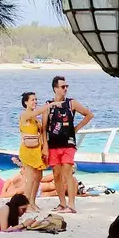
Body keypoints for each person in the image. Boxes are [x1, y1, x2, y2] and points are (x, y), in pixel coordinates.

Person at [44, 75, 93, 213]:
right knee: (56, 174)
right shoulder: (48, 105)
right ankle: (62, 203)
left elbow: (89, 115)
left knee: (67, 173)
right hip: (53, 144)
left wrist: (76, 128)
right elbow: (44, 127)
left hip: (68, 144)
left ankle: (71, 205)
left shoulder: (71, 103)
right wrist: (45, 147)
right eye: (63, 87)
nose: (65, 89)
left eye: (67, 86)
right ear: (55, 89)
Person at [16, 90, 46, 208]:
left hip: (37, 150)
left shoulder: (35, 118)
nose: (35, 102)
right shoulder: (25, 115)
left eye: (36, 100)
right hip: (28, 150)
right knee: (30, 178)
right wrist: (50, 105)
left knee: (38, 177)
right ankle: (26, 204)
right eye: (33, 100)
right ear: (26, 102)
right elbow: (38, 111)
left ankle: (32, 202)